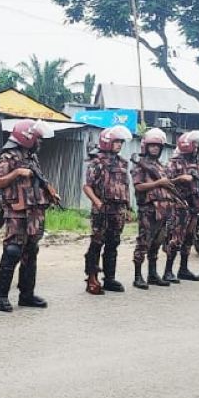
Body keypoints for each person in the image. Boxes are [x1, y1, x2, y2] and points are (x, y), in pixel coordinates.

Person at [0, 119, 55, 312]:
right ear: (26, 137)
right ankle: (1, 297)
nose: (39, 142)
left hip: (34, 211)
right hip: (17, 212)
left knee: (31, 251)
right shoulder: (7, 156)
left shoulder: (31, 157)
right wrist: (17, 172)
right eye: (37, 138)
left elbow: (37, 180)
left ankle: (26, 295)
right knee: (12, 251)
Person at [82, 125, 132, 295]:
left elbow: (125, 187)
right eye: (116, 142)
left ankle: (109, 279)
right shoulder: (97, 162)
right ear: (107, 142)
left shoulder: (123, 163)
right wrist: (97, 202)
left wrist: (128, 208)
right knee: (97, 243)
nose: (119, 145)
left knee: (113, 243)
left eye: (121, 142)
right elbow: (87, 186)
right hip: (102, 209)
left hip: (118, 210)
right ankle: (92, 278)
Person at [131, 128, 175, 289]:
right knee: (144, 242)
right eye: (152, 146)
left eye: (158, 146)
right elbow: (138, 186)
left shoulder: (161, 166)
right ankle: (138, 276)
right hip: (148, 209)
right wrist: (158, 183)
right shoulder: (140, 165)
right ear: (146, 147)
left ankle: (152, 274)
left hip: (163, 210)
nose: (155, 148)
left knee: (157, 242)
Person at [165, 131, 199, 282]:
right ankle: (168, 271)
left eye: (197, 146)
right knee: (176, 239)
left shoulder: (194, 164)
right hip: (179, 206)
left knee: (189, 238)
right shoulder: (174, 163)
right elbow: (166, 182)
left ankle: (183, 269)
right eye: (194, 145)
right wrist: (180, 179)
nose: (196, 148)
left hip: (194, 206)